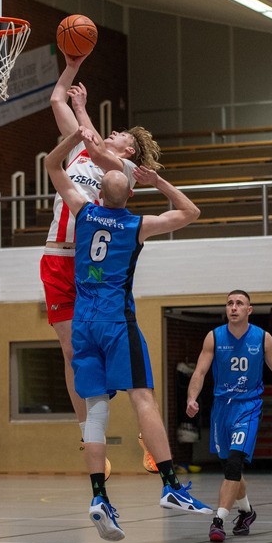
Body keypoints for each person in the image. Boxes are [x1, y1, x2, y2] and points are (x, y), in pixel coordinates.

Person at [45, 126, 211, 542]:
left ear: (99, 193)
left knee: (95, 409)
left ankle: (99, 496)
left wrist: (76, 139)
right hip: (117, 322)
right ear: (128, 198)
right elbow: (191, 212)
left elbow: (50, 165)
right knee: (143, 399)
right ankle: (171, 487)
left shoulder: (83, 211)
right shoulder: (137, 225)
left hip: (83, 325)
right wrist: (159, 182)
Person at [39, 52, 161, 471]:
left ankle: (149, 434)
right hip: (58, 259)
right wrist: (73, 65)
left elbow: (95, 143)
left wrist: (84, 112)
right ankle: (89, 438)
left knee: (112, 349)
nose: (112, 133)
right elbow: (56, 99)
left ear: (130, 151)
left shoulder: (123, 172)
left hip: (93, 269)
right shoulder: (79, 154)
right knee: (74, 352)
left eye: (120, 134)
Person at [185, 290, 272, 542]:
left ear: (249, 310)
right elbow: (199, 373)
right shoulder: (213, 337)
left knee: (234, 463)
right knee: (228, 465)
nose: (233, 307)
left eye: (239, 303)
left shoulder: (263, 339)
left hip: (248, 407)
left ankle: (218, 521)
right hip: (221, 408)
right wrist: (192, 398)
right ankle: (246, 512)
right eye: (230, 303)